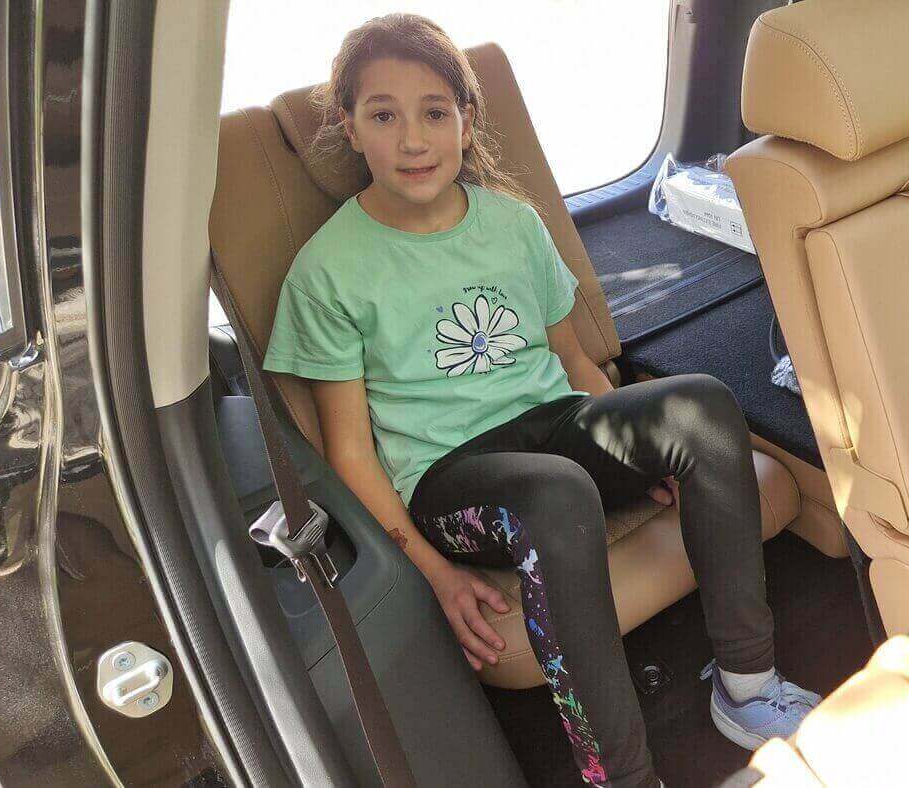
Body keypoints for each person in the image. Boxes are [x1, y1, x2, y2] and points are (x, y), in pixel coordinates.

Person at [262, 13, 819, 787]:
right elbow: (349, 453)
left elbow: (572, 360)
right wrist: (432, 573)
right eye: (384, 116)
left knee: (700, 406)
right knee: (554, 494)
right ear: (350, 128)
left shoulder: (513, 224)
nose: (414, 139)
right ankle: (618, 776)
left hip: (557, 427)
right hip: (451, 480)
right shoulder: (329, 270)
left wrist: (641, 452)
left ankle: (748, 690)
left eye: (434, 112)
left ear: (466, 122)